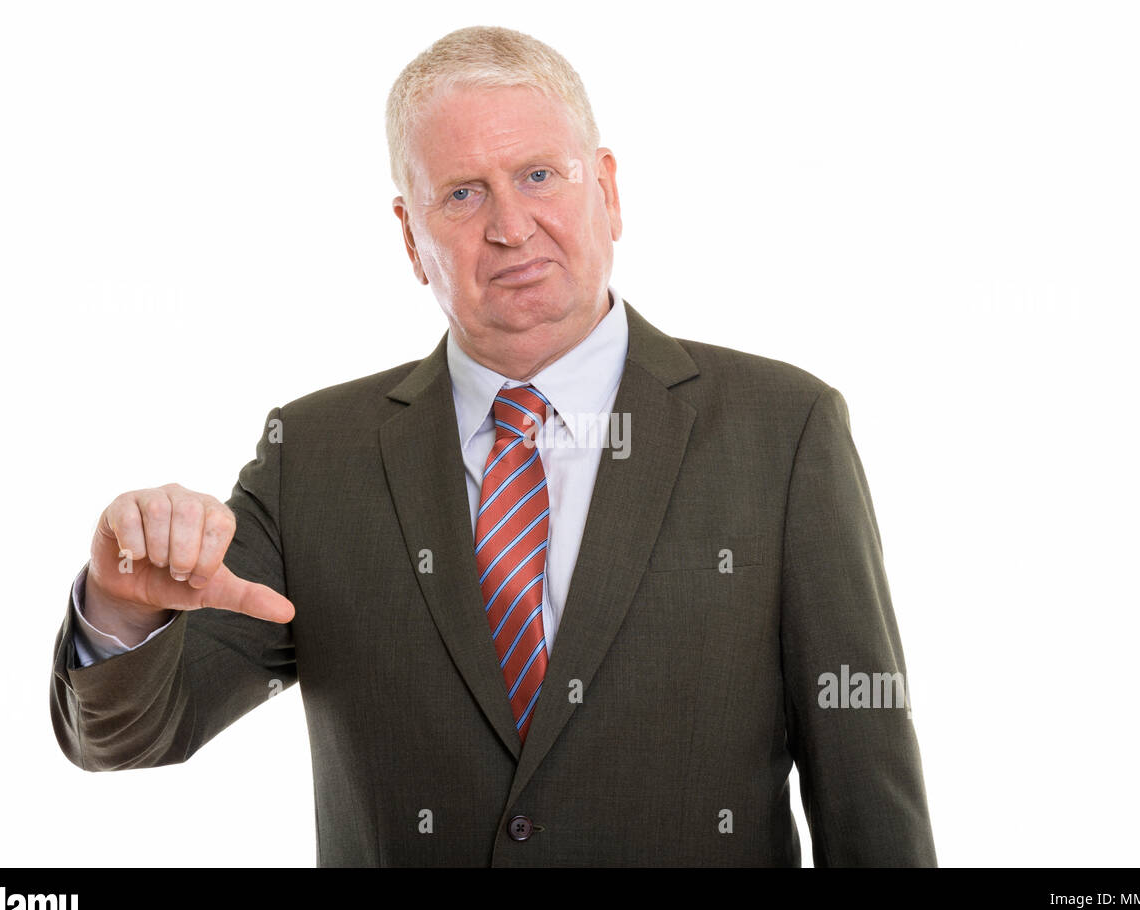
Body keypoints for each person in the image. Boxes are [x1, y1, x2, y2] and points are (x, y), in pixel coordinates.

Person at [49, 25, 938, 867]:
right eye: (463, 193)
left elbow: (870, 801)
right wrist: (122, 613)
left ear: (609, 189)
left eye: (541, 175)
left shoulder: (783, 428)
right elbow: (130, 735)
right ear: (410, 235)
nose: (511, 226)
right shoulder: (314, 455)